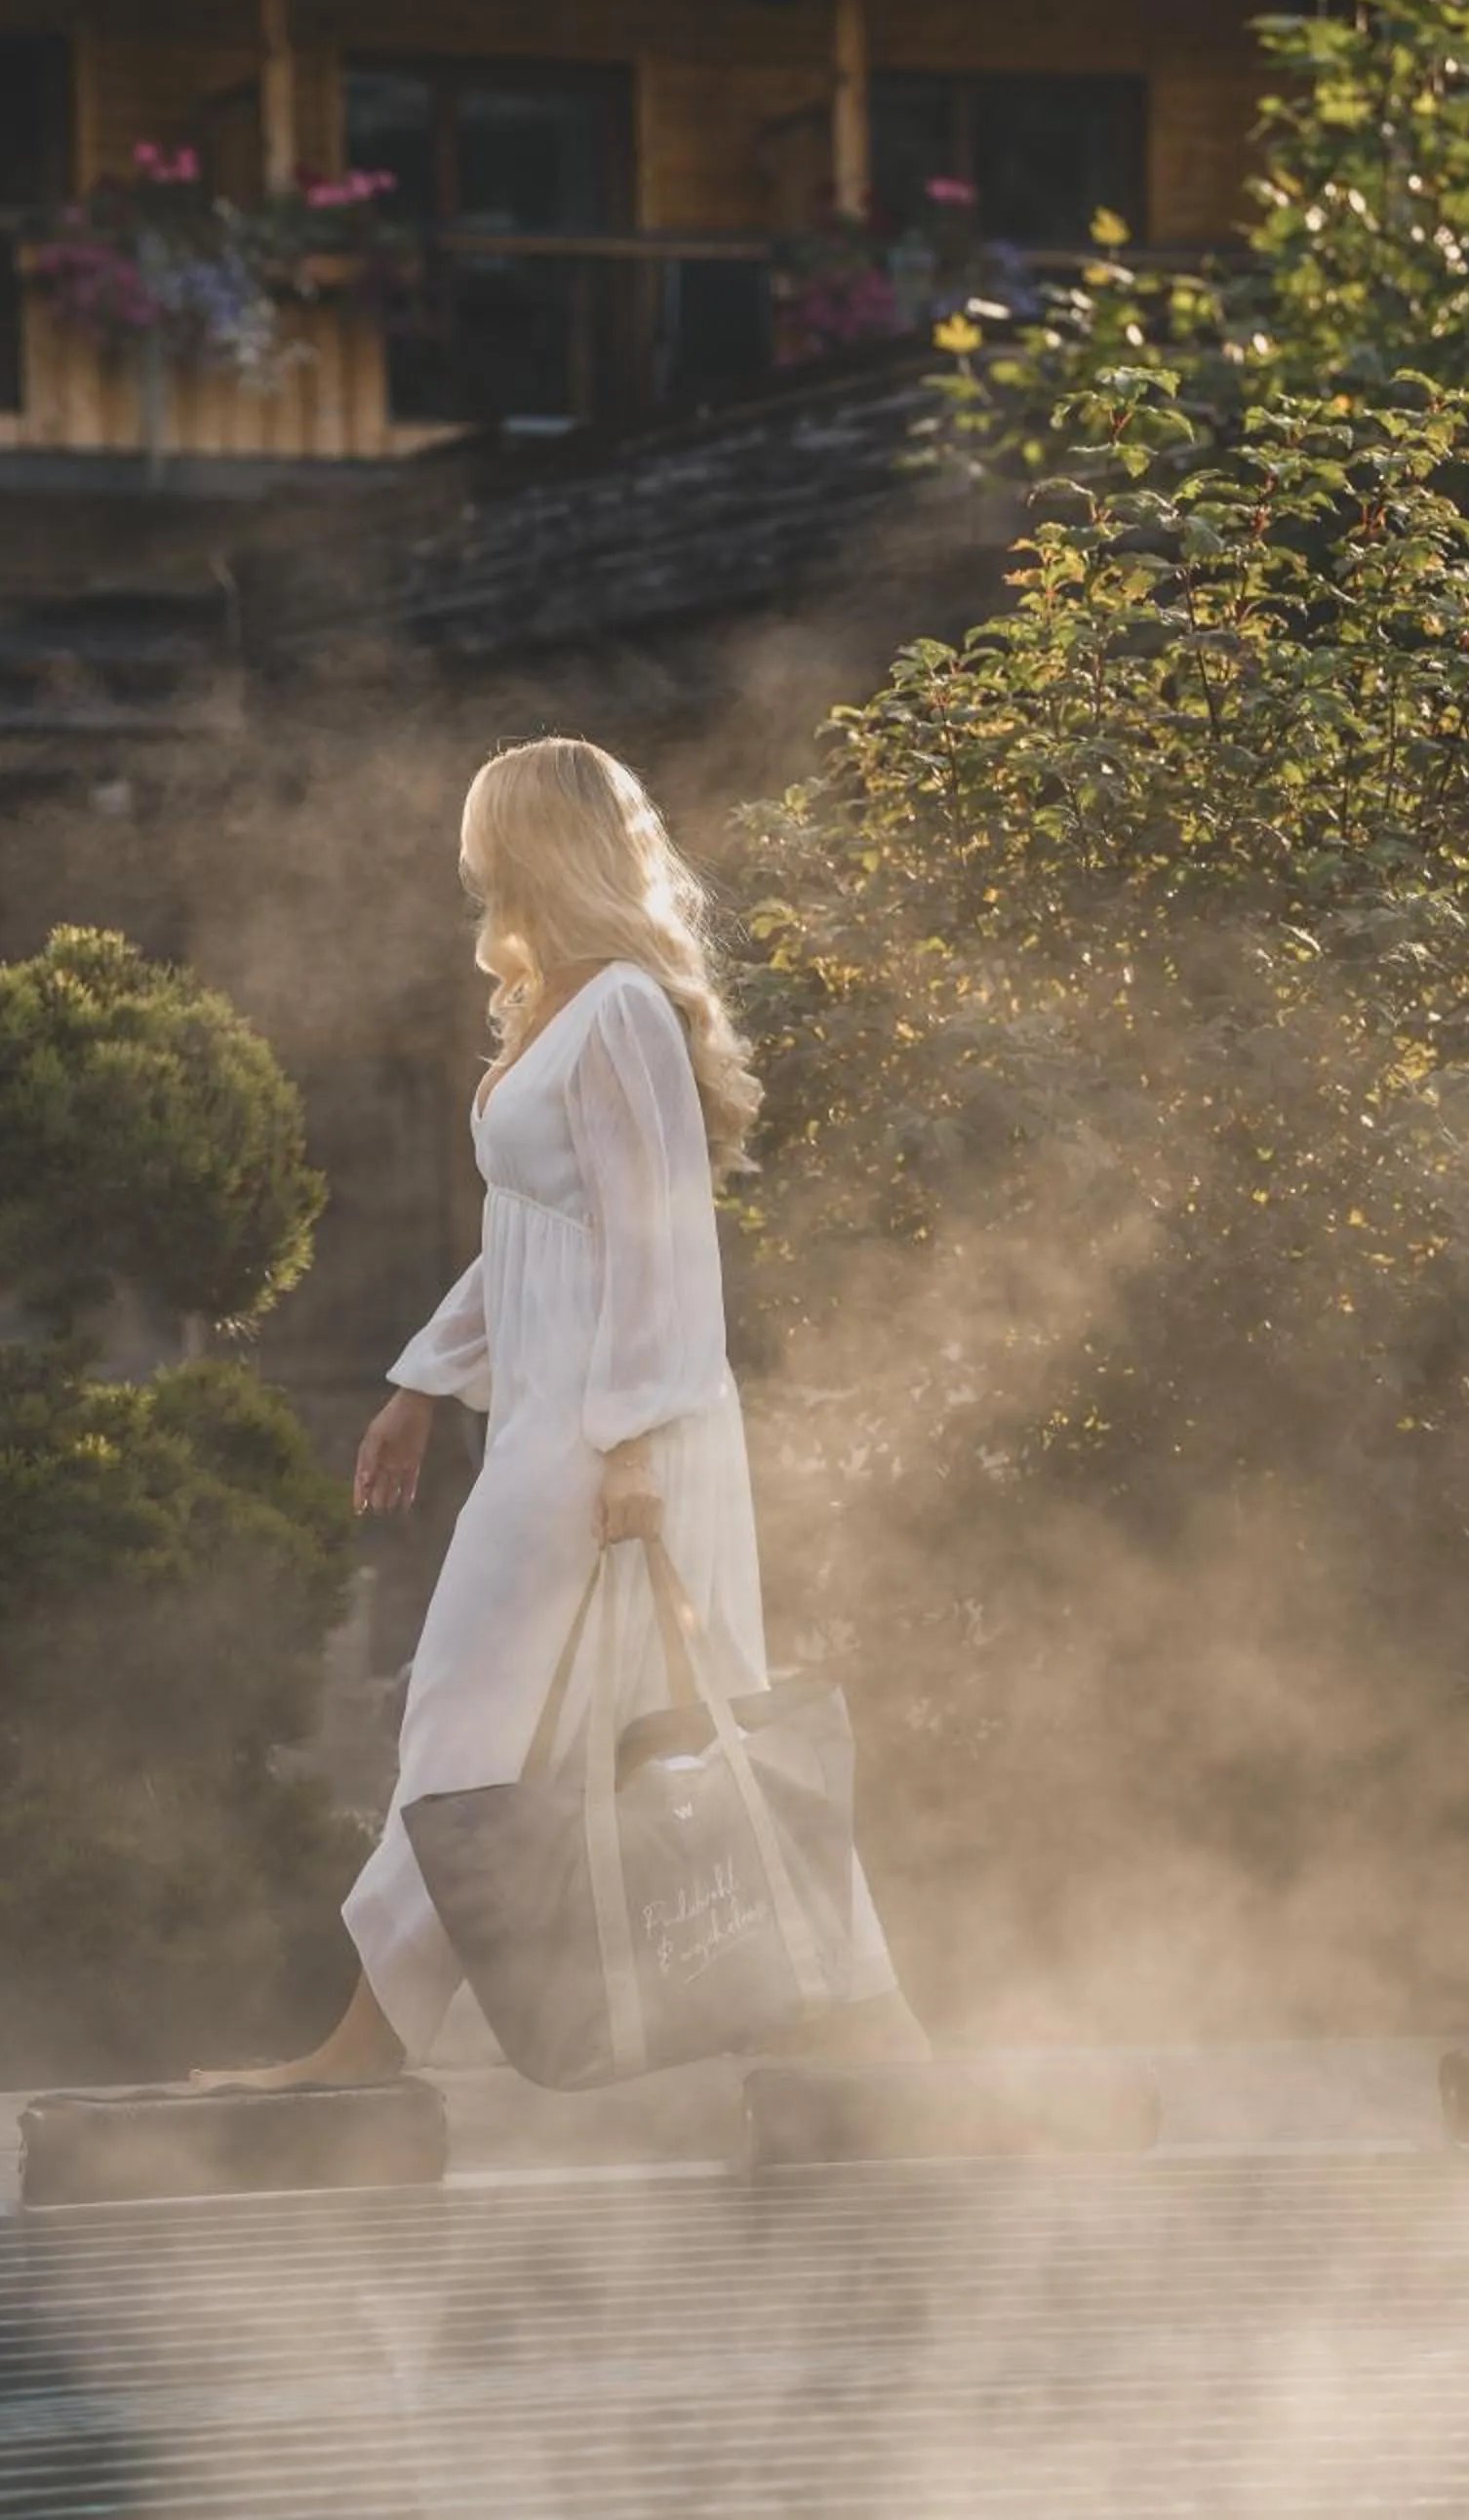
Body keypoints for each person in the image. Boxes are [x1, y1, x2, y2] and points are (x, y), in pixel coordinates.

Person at [194, 735, 923, 2088]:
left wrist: (636, 1441)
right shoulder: (554, 1005)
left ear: (536, 840)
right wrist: (422, 1382)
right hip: (547, 1426)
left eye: (488, 832)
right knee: (546, 1729)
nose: (468, 858)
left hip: (609, 1437)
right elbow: (534, 1235)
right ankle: (879, 2050)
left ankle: (366, 2052)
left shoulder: (624, 1013)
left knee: (511, 1725)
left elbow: (659, 1237)